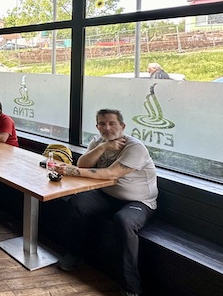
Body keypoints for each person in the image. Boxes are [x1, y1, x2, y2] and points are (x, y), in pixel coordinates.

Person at [55, 108, 158, 296]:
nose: (107, 128)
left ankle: (131, 288)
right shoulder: (97, 142)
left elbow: (111, 173)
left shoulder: (135, 147)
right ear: (97, 126)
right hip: (107, 195)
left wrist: (71, 171)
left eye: (112, 123)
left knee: (124, 221)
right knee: (77, 202)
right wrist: (102, 147)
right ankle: (74, 254)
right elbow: (83, 164)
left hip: (139, 202)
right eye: (102, 124)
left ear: (122, 126)